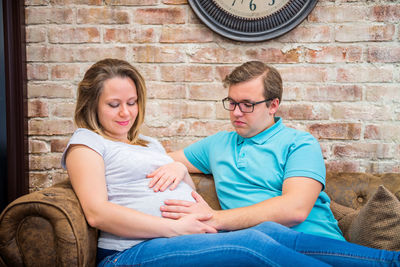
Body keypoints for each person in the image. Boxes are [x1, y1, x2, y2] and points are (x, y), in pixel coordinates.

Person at [62, 58, 334, 267]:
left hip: (187, 238)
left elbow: (179, 181)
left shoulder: (148, 144)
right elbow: (96, 212)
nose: (125, 112)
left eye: (132, 102)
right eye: (113, 104)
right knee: (252, 242)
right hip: (130, 251)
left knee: (269, 233)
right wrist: (175, 228)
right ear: (92, 104)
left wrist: (180, 167)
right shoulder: (87, 142)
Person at [150, 61, 400, 266]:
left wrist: (217, 218)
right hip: (256, 251)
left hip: (313, 242)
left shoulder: (299, 143)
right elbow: (150, 161)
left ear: (273, 105)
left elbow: (294, 210)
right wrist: (176, 164)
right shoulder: (217, 144)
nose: (236, 112)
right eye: (232, 103)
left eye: (247, 104)